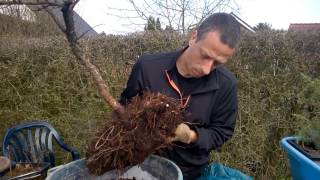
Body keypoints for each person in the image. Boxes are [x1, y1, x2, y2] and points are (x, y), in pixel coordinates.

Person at [120, 12, 241, 180]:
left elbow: (222, 132)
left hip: (188, 172)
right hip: (139, 165)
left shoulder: (226, 85)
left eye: (217, 63)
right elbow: (124, 109)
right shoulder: (148, 67)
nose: (207, 69)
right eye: (205, 55)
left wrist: (190, 136)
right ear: (194, 36)